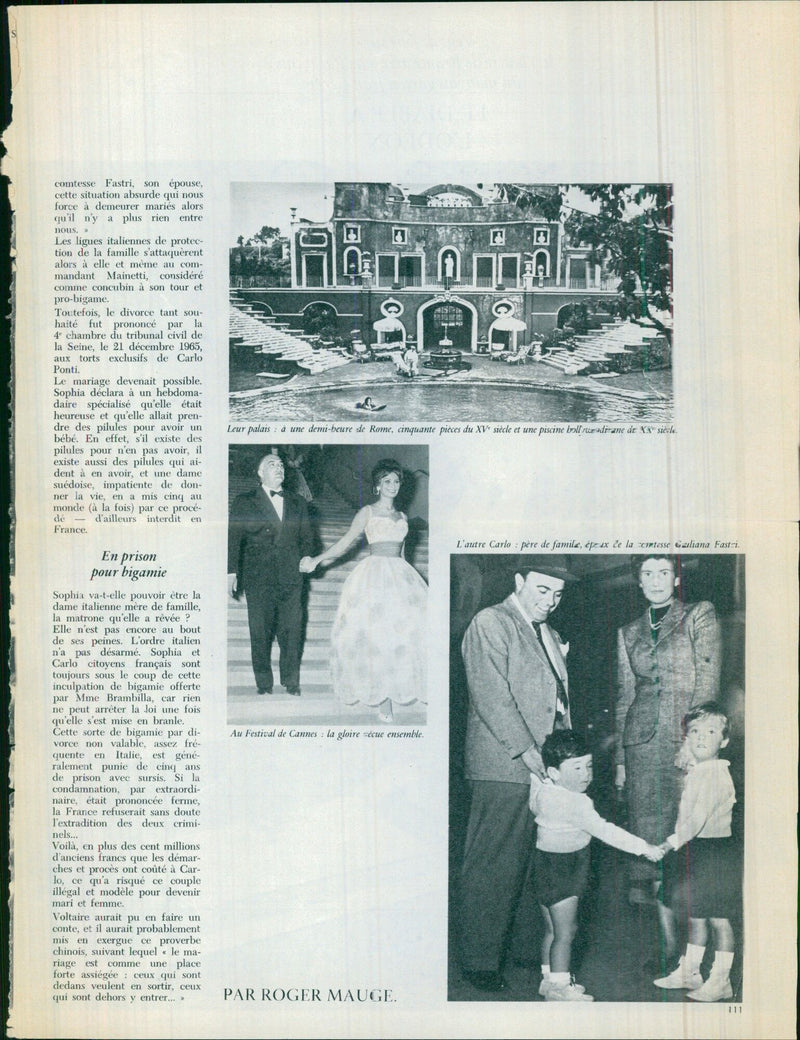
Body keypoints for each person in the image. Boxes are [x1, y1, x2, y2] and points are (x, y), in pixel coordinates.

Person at [458, 555, 576, 993]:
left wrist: (562, 763)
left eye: (558, 594)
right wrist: (530, 754)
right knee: (493, 864)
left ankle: (527, 951)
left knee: (531, 863)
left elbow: (556, 700)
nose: (551, 601)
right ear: (519, 580)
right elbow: (492, 696)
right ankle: (479, 960)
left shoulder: (546, 631)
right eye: (542, 590)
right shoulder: (492, 622)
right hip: (503, 766)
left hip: (544, 769)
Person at [615, 555, 721, 964]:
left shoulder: (699, 615)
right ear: (638, 582)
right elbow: (625, 698)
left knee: (693, 840)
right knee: (653, 846)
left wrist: (692, 742)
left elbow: (708, 682)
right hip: (641, 750)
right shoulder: (627, 632)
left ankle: (701, 952)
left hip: (688, 744)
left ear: (675, 579)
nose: (656, 580)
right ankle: (668, 949)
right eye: (647, 574)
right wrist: (621, 764)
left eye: (663, 572)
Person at [530, 730, 664, 1001]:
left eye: (588, 766)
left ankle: (548, 981)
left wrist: (541, 773)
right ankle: (559, 989)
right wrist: (644, 848)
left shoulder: (543, 789)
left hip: (543, 865)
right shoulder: (576, 803)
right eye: (577, 767)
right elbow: (607, 831)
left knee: (552, 931)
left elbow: (535, 785)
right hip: (565, 869)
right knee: (566, 933)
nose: (586, 774)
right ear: (555, 772)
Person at [299, 459, 427, 722]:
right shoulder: (367, 512)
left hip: (400, 575)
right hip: (373, 577)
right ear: (377, 486)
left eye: (396, 481)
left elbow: (403, 553)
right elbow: (346, 542)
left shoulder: (403, 517)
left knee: (402, 637)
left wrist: (410, 582)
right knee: (377, 637)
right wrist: (317, 560)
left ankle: (397, 689)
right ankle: (382, 699)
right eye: (387, 481)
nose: (392, 486)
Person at [653, 702, 739, 1002]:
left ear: (724, 741)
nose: (702, 737)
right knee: (696, 916)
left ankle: (721, 980)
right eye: (695, 731)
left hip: (715, 854)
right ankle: (690, 971)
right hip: (698, 850)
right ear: (686, 738)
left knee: (718, 919)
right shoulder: (700, 772)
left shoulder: (715, 775)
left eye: (711, 731)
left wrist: (669, 843)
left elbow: (697, 819)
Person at [228, 452, 313, 696]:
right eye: (271, 464)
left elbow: (307, 538)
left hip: (291, 576)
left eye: (281, 465)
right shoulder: (244, 501)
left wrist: (307, 556)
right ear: (259, 473)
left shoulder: (298, 502)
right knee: (260, 630)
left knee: (292, 629)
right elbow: (234, 539)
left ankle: (291, 681)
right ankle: (264, 684)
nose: (279, 468)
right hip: (258, 576)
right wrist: (231, 572)